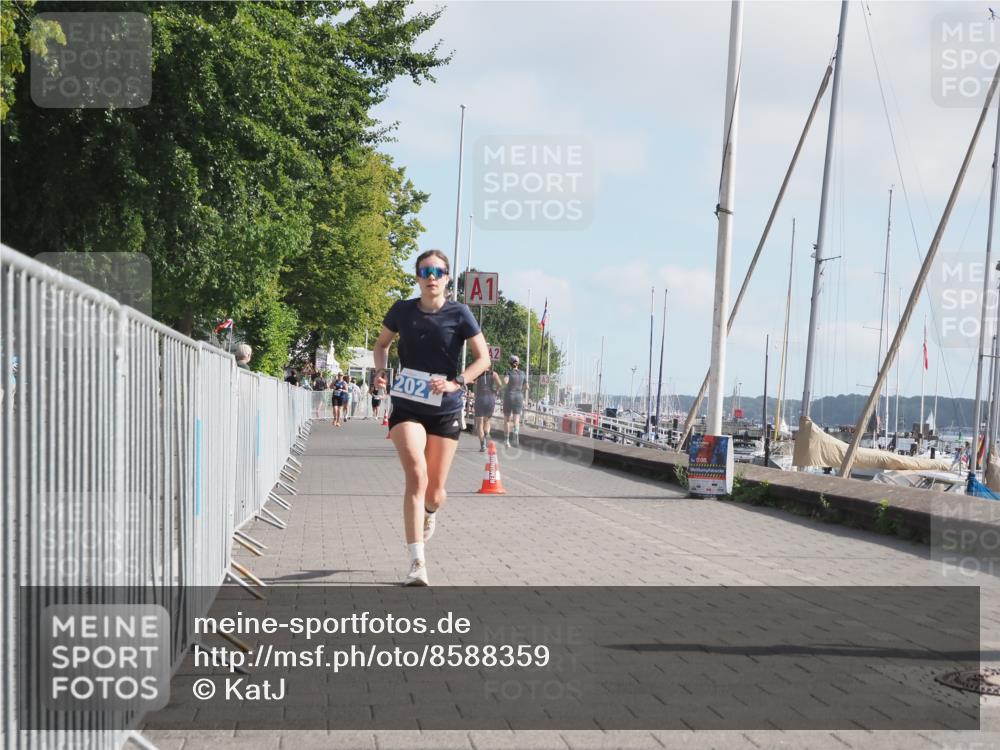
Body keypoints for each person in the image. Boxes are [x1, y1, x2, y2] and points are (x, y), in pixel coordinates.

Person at [373, 249, 489, 586]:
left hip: (445, 408)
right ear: (417, 277)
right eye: (425, 272)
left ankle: (429, 512)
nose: (432, 278)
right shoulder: (402, 310)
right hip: (407, 404)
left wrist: (457, 382)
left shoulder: (459, 313)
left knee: (435, 493)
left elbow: (483, 359)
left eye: (438, 272)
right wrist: (381, 372)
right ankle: (417, 562)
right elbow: (381, 345)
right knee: (416, 474)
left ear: (448, 278)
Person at [474, 368, 503, 452]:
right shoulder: (494, 373)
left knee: (480, 423)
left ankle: (482, 445)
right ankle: (486, 435)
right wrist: (496, 391)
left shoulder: (477, 373)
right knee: (487, 421)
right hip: (490, 397)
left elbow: (474, 383)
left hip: (480, 398)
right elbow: (500, 384)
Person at [502, 355, 526, 447]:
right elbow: (527, 386)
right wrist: (520, 389)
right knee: (516, 418)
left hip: (509, 396)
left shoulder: (508, 372)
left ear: (510, 363)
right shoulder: (522, 373)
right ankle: (516, 431)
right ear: (518, 363)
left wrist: (505, 379)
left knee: (507, 419)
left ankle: (506, 440)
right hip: (519, 397)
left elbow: (505, 381)